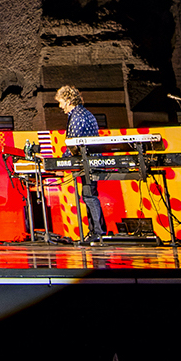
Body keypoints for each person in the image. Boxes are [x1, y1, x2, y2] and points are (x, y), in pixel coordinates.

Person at [54, 85, 105, 244]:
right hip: (90, 161)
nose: (60, 106)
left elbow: (73, 143)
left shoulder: (77, 116)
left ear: (68, 100)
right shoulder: (84, 113)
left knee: (89, 195)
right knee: (89, 195)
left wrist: (61, 164)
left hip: (88, 162)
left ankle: (98, 232)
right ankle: (95, 232)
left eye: (61, 102)